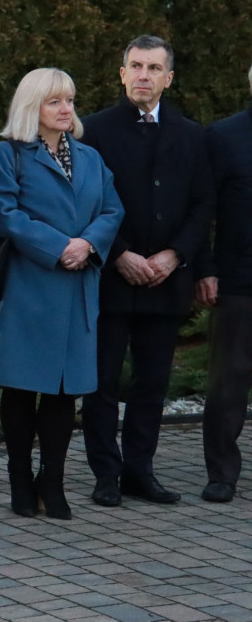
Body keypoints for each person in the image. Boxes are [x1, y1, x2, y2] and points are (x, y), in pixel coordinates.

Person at [0, 68, 124, 520]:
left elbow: (112, 209)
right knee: (21, 390)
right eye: (54, 101)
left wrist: (88, 244)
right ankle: (20, 481)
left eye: (70, 100)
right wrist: (58, 246)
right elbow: (3, 214)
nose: (66, 109)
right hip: (28, 288)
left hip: (78, 289)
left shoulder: (90, 158)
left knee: (65, 393)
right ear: (32, 106)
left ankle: (53, 481)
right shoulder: (8, 155)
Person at [80, 35, 214, 507]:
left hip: (166, 279)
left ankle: (140, 471)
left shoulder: (192, 135)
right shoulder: (94, 130)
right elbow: (85, 201)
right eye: (136, 66)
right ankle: (105, 474)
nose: (143, 75)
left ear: (168, 78)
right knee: (101, 382)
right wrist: (119, 254)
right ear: (122, 74)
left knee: (152, 384)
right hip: (111, 277)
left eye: (154, 68)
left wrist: (176, 255)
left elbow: (203, 204)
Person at [195, 63, 252, 503]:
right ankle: (222, 474)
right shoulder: (223, 137)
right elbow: (202, 208)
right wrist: (204, 267)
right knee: (228, 382)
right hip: (237, 280)